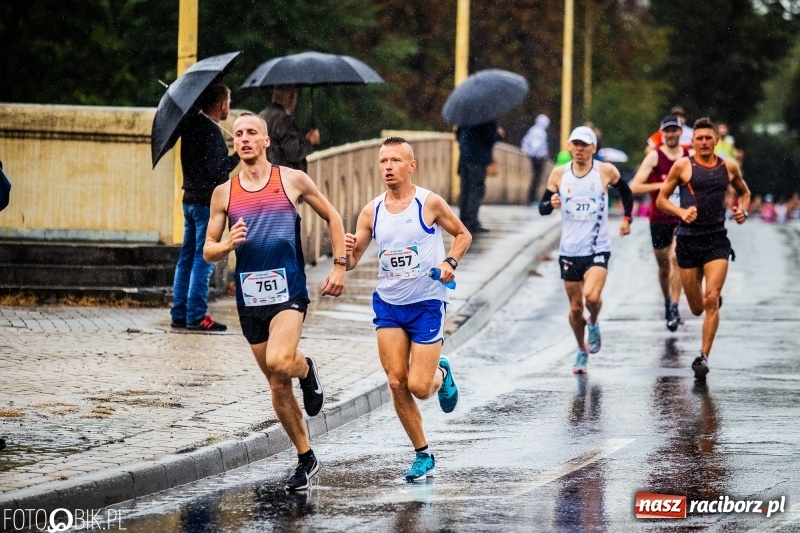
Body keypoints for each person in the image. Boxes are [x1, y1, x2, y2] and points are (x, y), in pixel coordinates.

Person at [203, 112, 347, 491]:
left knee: (281, 361)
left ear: (266, 141)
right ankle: (306, 458)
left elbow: (332, 216)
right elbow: (207, 251)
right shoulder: (224, 193)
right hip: (250, 300)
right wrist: (227, 244)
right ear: (234, 143)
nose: (245, 139)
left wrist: (340, 266)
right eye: (239, 134)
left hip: (289, 291)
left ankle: (307, 368)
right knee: (276, 384)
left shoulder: (292, 180)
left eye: (252, 133)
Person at [344, 137, 472, 482]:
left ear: (411, 166)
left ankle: (441, 374)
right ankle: (423, 454)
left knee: (419, 385)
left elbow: (463, 235)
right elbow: (354, 260)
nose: (388, 166)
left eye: (395, 160)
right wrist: (346, 252)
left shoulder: (428, 203)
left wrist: (450, 260)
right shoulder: (372, 211)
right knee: (396, 381)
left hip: (428, 302)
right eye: (383, 160)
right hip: (389, 303)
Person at [656, 117, 750, 380]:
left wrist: (742, 210)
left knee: (711, 299)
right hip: (687, 240)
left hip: (717, 240)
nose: (705, 143)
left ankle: (703, 356)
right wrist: (680, 212)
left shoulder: (728, 167)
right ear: (693, 142)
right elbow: (662, 200)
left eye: (709, 138)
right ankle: (708, 305)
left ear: (716, 141)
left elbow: (744, 192)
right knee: (696, 307)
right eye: (700, 139)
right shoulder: (682, 166)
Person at [538, 126, 634, 373]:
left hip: (597, 248)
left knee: (591, 296)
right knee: (574, 308)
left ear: (593, 148)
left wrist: (627, 219)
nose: (580, 149)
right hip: (569, 250)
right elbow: (542, 207)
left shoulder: (605, 171)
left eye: (585, 145)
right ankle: (581, 349)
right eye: (576, 144)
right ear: (569, 146)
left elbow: (626, 190)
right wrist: (552, 203)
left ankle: (594, 323)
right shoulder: (559, 174)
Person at [171, 83, 240, 332]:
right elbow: (217, 172)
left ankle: (179, 312)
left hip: (189, 199)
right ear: (221, 104)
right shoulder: (210, 131)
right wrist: (237, 156)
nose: (228, 108)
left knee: (186, 258)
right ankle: (197, 315)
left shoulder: (189, 127)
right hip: (204, 204)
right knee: (204, 258)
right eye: (228, 103)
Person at [630, 116, 690, 331]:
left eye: (675, 130)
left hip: (682, 217)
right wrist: (661, 185)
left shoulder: (687, 155)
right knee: (664, 266)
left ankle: (674, 307)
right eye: (668, 131)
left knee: (676, 258)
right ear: (662, 133)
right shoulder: (655, 156)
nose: (671, 134)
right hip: (659, 219)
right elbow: (635, 187)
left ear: (680, 132)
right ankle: (667, 301)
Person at [259, 85, 320, 172]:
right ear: (291, 98)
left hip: (265, 173)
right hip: (282, 176)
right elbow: (293, 153)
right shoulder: (283, 119)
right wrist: (310, 142)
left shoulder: (262, 115)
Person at [456, 121, 504, 233]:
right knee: (476, 190)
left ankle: (463, 220)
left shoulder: (465, 117)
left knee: (465, 189)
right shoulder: (487, 118)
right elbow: (489, 137)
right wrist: (498, 135)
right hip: (478, 160)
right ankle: (472, 222)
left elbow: (458, 136)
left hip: (464, 158)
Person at [521, 114, 551, 205]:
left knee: (535, 178)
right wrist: (538, 154)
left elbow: (526, 142)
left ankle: (532, 198)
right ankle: (532, 199)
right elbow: (537, 145)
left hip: (535, 157)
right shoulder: (540, 132)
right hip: (538, 158)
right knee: (536, 178)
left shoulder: (533, 130)